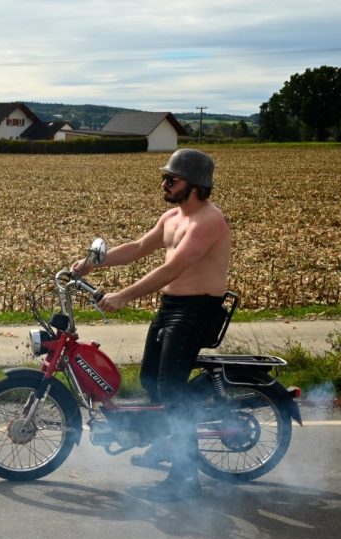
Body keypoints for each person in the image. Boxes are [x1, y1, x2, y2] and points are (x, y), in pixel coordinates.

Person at [71, 148, 229, 502]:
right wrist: (92, 263)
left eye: (172, 179)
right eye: (165, 177)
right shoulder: (173, 216)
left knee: (171, 389)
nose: (165, 183)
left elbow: (171, 269)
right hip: (172, 306)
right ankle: (167, 441)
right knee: (149, 380)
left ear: (195, 184)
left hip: (197, 310)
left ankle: (186, 480)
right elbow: (139, 247)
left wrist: (124, 295)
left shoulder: (209, 222)